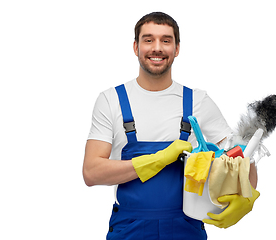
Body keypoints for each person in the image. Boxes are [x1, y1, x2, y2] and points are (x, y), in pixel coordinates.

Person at [83, 12, 259, 240]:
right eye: (148, 40)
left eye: (166, 40)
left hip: (186, 228)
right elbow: (91, 172)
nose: (157, 48)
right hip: (129, 229)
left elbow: (240, 158)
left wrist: (248, 197)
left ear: (176, 49)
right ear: (136, 47)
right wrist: (159, 159)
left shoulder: (198, 101)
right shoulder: (111, 100)